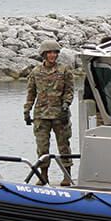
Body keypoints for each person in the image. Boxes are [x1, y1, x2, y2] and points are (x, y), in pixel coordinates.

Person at [23, 40, 75, 185]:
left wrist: (65, 106)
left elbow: (69, 91)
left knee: (64, 145)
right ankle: (43, 176)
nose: (52, 55)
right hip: (41, 115)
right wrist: (27, 110)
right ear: (44, 54)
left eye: (54, 53)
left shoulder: (64, 70)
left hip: (60, 114)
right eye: (49, 53)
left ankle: (67, 176)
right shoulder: (36, 72)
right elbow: (31, 93)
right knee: (42, 148)